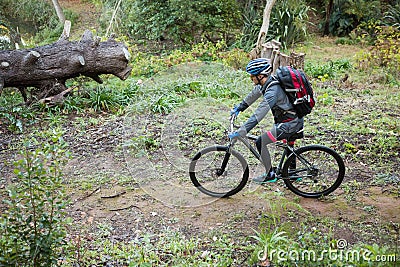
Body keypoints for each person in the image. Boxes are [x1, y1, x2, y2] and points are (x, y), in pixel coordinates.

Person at [228, 58, 304, 184]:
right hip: (291, 119)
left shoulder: (272, 91)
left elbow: (259, 114)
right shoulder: (267, 83)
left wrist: (242, 130)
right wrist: (239, 108)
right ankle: (292, 174)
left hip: (290, 124)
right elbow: (253, 95)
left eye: (252, 76)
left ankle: (270, 174)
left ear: (260, 76)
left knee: (261, 141)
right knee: (288, 146)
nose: (251, 79)